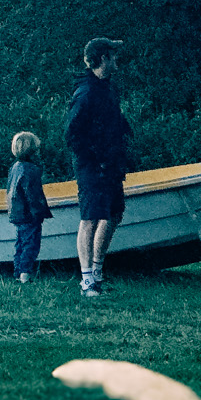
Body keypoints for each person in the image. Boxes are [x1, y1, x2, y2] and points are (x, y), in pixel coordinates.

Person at [65, 37, 131, 296]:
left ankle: (97, 272)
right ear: (102, 58)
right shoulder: (86, 93)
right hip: (92, 167)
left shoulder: (107, 88)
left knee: (114, 214)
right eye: (113, 55)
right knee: (90, 218)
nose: (117, 60)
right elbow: (72, 136)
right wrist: (96, 159)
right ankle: (86, 281)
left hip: (111, 163)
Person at [6, 130, 53, 283]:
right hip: (29, 214)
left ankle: (18, 273)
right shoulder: (31, 170)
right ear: (32, 150)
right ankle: (25, 275)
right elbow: (33, 195)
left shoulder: (15, 167)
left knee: (20, 243)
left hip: (17, 213)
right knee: (30, 244)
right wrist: (40, 213)